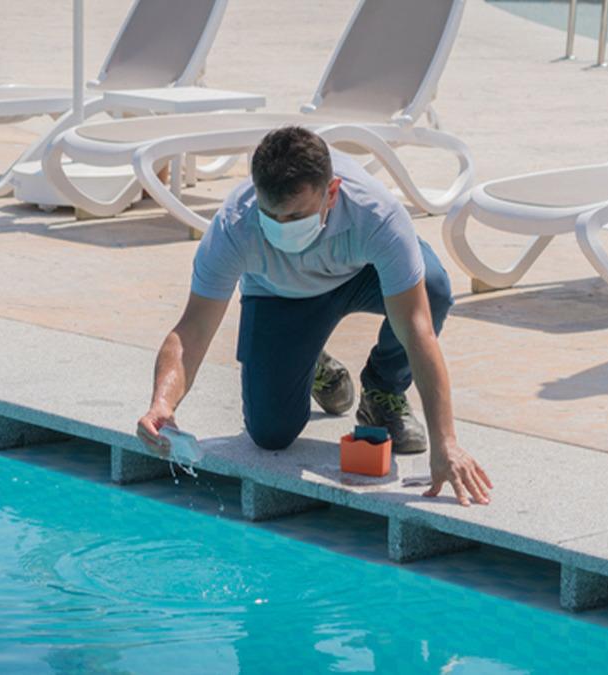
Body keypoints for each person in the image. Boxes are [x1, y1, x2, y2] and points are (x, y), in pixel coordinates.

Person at [136, 126, 491, 506]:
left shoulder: (377, 215)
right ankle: (310, 361)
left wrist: (445, 443)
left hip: (362, 276)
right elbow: (192, 329)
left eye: (296, 216)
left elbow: (417, 329)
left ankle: (383, 391)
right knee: (270, 433)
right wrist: (163, 405)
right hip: (280, 296)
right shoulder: (234, 226)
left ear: (332, 192)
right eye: (270, 214)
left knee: (432, 290)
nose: (281, 227)